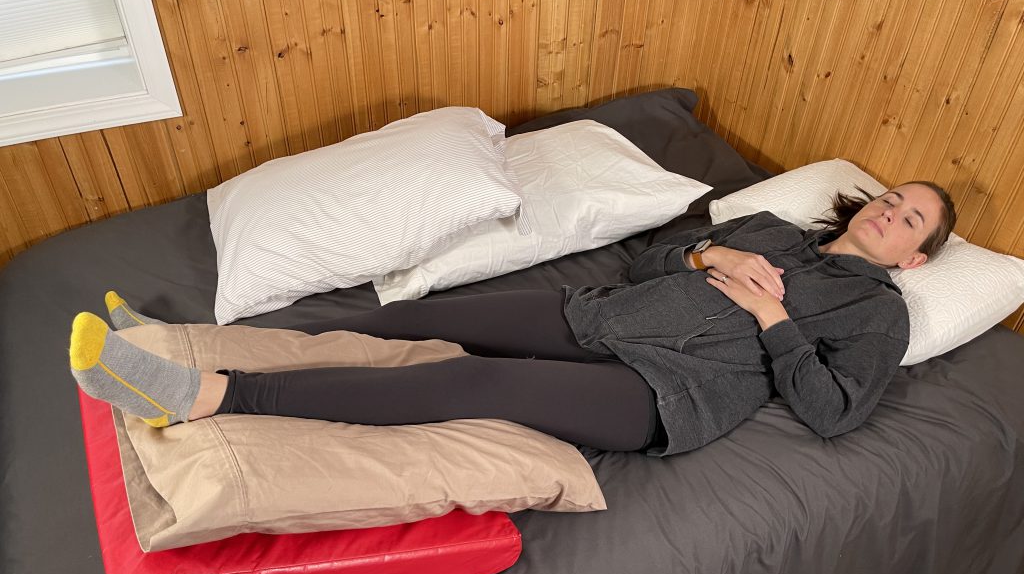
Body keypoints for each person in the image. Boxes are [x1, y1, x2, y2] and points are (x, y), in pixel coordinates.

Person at [70, 181, 956, 457]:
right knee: (404, 320)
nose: (889, 211)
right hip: (599, 312)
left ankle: (209, 396)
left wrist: (772, 319)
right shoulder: (766, 229)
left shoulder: (877, 313)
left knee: (465, 378)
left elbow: (835, 409)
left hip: (663, 393)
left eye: (910, 219)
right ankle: (165, 339)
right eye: (889, 197)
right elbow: (647, 257)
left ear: (914, 257)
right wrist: (708, 256)